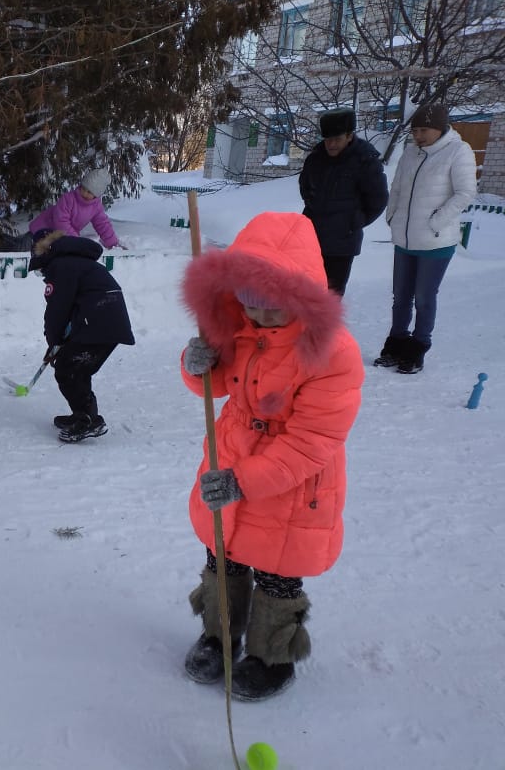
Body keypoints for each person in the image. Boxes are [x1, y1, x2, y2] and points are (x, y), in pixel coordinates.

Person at [178, 212, 364, 701]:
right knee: (223, 552)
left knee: (277, 569)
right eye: (249, 303)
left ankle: (271, 656)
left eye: (273, 309)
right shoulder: (240, 328)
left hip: (291, 484)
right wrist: (197, 366)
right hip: (230, 456)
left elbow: (311, 442)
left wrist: (244, 481)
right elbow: (217, 384)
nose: (259, 317)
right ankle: (219, 635)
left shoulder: (332, 352)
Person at [375, 104, 478, 373]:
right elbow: (397, 187)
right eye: (415, 131)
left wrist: (436, 221)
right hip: (405, 239)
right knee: (401, 297)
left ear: (440, 128)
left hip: (435, 242)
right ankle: (396, 343)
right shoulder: (410, 152)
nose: (418, 136)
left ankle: (417, 348)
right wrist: (392, 216)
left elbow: (466, 192)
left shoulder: (458, 151)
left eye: (424, 130)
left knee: (423, 297)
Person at [27, 231, 134, 442]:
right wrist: (57, 344)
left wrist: (54, 342)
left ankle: (88, 421)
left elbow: (57, 312)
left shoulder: (61, 267)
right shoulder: (76, 262)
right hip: (106, 323)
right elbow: (72, 310)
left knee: (68, 370)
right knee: (78, 369)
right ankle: (84, 415)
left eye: (40, 271)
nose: (43, 275)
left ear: (43, 254)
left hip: (97, 323)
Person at [299, 108, 389, 295]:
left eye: (337, 139)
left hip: (342, 243)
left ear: (349, 136)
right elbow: (305, 187)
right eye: (327, 139)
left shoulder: (365, 160)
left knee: (330, 297)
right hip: (311, 238)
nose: (331, 144)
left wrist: (353, 222)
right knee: (304, 292)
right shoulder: (316, 158)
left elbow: (378, 199)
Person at [28, 168, 121, 249]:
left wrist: (113, 243)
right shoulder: (68, 199)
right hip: (39, 231)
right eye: (83, 188)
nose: (84, 193)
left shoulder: (96, 207)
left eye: (89, 192)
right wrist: (75, 241)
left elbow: (103, 225)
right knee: (24, 250)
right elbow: (61, 222)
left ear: (97, 194)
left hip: (57, 238)